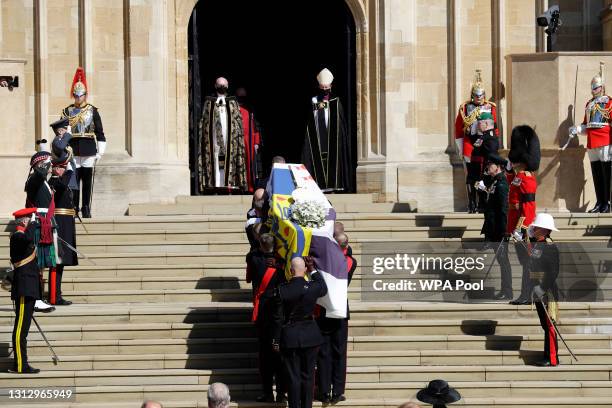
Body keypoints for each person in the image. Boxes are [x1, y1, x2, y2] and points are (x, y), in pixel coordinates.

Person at [273, 257, 328, 408]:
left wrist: (276, 340)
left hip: (290, 337)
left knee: (293, 377)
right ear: (304, 270)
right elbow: (324, 287)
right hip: (310, 336)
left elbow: (277, 319)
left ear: (290, 271)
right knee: (308, 376)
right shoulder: (313, 287)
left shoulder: (282, 290)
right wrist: (313, 270)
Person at [315, 233, 355, 404]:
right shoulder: (346, 259)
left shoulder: (344, 261)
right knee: (331, 352)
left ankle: (332, 391)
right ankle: (328, 391)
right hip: (330, 310)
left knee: (331, 352)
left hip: (330, 309)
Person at [61, 67, 106, 218]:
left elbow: (100, 132)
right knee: (74, 181)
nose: (78, 98)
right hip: (73, 148)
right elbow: (62, 131)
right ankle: (74, 207)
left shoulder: (92, 110)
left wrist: (100, 151)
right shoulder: (67, 111)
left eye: (81, 95)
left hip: (88, 148)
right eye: (76, 95)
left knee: (87, 181)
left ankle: (86, 207)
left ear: (85, 95)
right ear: (73, 95)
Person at [247, 234, 286, 403]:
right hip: (279, 315)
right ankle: (281, 392)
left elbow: (251, 255)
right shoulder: (282, 264)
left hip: (263, 313)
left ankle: (267, 392)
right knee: (279, 358)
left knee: (265, 358)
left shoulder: (254, 259)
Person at [302, 68, 354, 193]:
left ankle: (335, 185)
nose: (324, 89)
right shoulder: (314, 100)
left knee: (333, 157)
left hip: (333, 136)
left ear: (330, 86)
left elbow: (340, 121)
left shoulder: (336, 100)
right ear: (319, 86)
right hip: (318, 135)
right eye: (322, 87)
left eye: (327, 87)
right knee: (316, 158)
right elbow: (310, 119)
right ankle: (319, 186)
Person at [454, 69, 499, 213]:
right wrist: (462, 149)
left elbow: (495, 129)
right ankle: (472, 203)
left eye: (481, 96)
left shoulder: (490, 108)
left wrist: (494, 146)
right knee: (471, 176)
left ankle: (483, 203)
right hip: (470, 144)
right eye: (476, 96)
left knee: (485, 174)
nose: (479, 98)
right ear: (472, 95)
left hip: (486, 144)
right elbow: (458, 129)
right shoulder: (465, 108)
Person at [570, 62, 612, 213]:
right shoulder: (589, 104)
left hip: (605, 140)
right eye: (592, 87)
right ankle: (600, 202)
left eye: (596, 87)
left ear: (602, 87)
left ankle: (607, 202)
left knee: (606, 173)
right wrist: (577, 129)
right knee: (596, 173)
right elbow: (586, 125)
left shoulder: (609, 102)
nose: (594, 90)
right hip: (592, 142)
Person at [506, 125, 540, 305]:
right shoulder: (519, 177)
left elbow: (528, 208)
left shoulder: (527, 178)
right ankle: (527, 295)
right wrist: (509, 169)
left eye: (517, 161)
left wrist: (521, 228)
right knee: (525, 263)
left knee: (528, 264)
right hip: (516, 226)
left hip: (524, 230)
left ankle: (528, 295)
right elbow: (511, 186)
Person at [197, 77, 247, 192]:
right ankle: (214, 185)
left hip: (230, 140)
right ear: (215, 86)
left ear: (228, 86)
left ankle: (230, 185)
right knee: (214, 160)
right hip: (214, 141)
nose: (222, 87)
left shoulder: (233, 103)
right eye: (220, 85)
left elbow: (238, 124)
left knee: (229, 160)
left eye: (224, 85)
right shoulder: (209, 102)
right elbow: (203, 123)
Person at [9, 208, 43, 374]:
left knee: (24, 329)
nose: (32, 220)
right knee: (20, 330)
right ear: (23, 221)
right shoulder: (17, 236)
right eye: (29, 218)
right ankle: (21, 365)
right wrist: (34, 224)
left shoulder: (24, 236)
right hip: (23, 288)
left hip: (29, 288)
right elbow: (28, 237)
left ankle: (22, 363)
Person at [525, 213, 560, 367]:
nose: (534, 228)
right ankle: (547, 354)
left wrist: (542, 287)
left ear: (544, 230)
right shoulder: (539, 244)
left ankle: (552, 357)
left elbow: (553, 272)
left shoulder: (549, 246)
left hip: (547, 290)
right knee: (544, 325)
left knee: (549, 325)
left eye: (537, 227)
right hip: (537, 287)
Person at [24, 150, 57, 313]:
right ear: (41, 164)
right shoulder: (34, 179)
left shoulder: (43, 181)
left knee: (41, 265)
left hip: (44, 224)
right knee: (36, 265)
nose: (51, 167)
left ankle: (38, 298)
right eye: (49, 163)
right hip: (38, 225)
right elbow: (40, 173)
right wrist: (43, 164)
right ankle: (35, 299)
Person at [48, 142, 77, 306]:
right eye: (61, 168)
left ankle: (56, 294)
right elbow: (63, 184)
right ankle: (54, 296)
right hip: (59, 226)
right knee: (57, 262)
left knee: (61, 263)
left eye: (64, 168)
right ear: (55, 168)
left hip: (66, 225)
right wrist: (69, 170)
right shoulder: (55, 181)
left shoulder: (59, 181)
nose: (64, 171)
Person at [478, 158, 512, 300]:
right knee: (501, 261)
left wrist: (505, 230)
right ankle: (505, 289)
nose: (487, 168)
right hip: (493, 228)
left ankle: (507, 290)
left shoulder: (502, 183)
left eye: (490, 166)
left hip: (499, 229)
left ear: (498, 167)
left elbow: (503, 209)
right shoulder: (494, 182)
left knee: (503, 261)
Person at [237, 87, 263, 192]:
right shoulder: (234, 108)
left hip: (249, 140)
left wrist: (256, 142)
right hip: (237, 139)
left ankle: (250, 186)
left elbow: (256, 126)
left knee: (250, 164)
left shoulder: (250, 109)